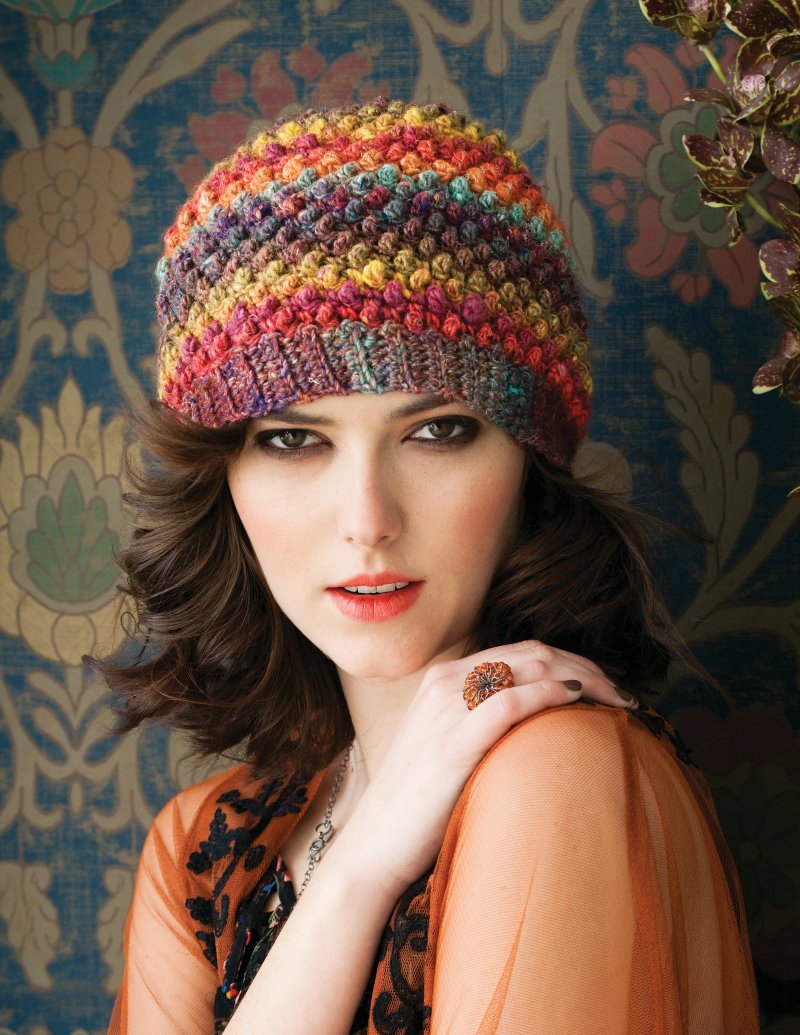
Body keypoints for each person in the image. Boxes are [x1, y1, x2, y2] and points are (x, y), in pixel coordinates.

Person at [98, 98, 759, 1034]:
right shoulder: (201, 846)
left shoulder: (557, 775)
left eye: (438, 431)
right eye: (292, 439)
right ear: (224, 476)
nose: (368, 521)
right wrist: (361, 868)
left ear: (530, 455)